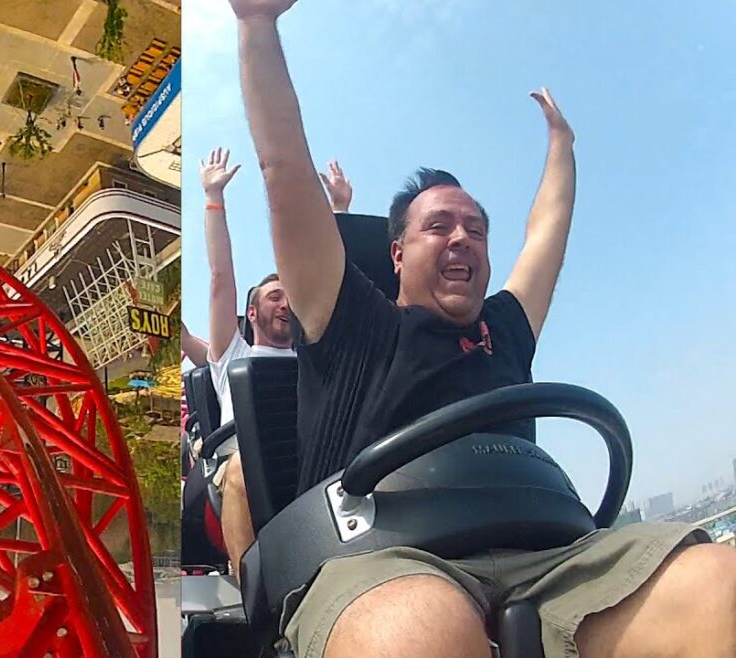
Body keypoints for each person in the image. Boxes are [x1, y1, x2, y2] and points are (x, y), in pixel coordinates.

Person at [227, 1, 736, 657]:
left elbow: (547, 232)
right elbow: (284, 170)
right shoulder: (351, 320)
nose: (462, 237)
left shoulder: (506, 330)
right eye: (438, 226)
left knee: (712, 584)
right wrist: (257, 26)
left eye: (476, 228)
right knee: (416, 633)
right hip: (384, 562)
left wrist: (562, 145)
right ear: (398, 254)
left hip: (546, 555)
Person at [200, 147, 295, 579]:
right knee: (242, 467)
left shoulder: (311, 356)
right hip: (241, 466)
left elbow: (330, 283)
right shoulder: (235, 352)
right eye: (276, 297)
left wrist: (339, 211)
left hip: (304, 457)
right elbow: (221, 279)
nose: (286, 304)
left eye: (291, 298)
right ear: (252, 314)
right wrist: (213, 199)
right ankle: (249, 583)